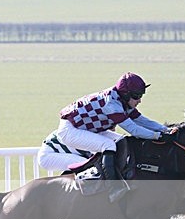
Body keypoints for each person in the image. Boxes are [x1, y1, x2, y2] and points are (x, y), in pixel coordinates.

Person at [37, 72, 177, 202]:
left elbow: (141, 120)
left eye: (141, 95)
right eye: (136, 96)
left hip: (86, 127)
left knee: (120, 141)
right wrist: (158, 136)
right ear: (126, 94)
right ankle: (113, 188)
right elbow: (133, 129)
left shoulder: (121, 100)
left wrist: (164, 129)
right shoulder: (111, 104)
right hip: (70, 130)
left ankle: (122, 179)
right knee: (108, 145)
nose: (139, 100)